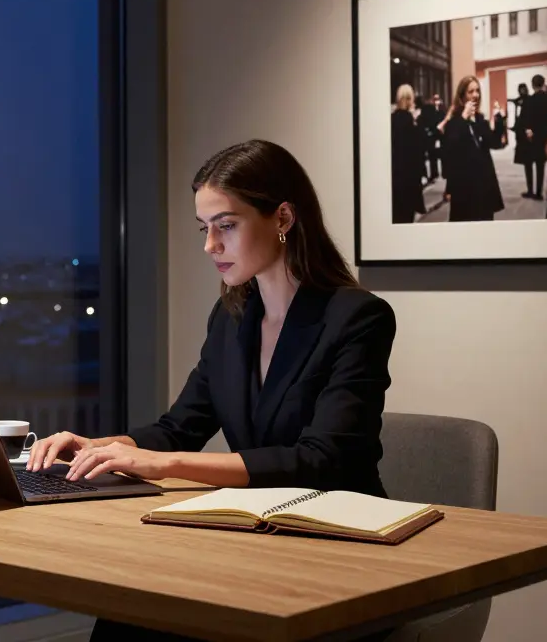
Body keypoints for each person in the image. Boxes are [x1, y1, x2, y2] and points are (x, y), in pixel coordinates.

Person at [26, 139, 398, 642]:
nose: (210, 246)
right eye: (205, 228)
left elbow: (322, 459)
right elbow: (179, 428)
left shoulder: (358, 317)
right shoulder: (231, 318)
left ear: (283, 218)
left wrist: (165, 464)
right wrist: (98, 447)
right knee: (129, 608)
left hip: (337, 548)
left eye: (226, 225)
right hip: (258, 540)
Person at [437, 75, 507, 222]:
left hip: (484, 183)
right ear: (462, 96)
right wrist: (464, 117)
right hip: (464, 185)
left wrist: (499, 120)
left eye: (477, 91)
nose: (475, 95)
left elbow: (494, 143)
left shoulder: (480, 119)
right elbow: (451, 148)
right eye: (470, 91)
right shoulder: (454, 121)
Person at [390, 84, 426, 224]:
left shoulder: (392, 119)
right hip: (409, 178)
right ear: (411, 99)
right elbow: (419, 149)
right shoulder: (412, 122)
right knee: (407, 217)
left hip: (395, 177)